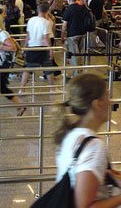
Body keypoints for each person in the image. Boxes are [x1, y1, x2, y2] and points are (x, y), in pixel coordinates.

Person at [53, 73, 121, 208]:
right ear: (97, 104)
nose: (110, 102)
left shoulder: (71, 135)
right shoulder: (94, 146)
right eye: (107, 97)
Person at [19, 2, 55, 93]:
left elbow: (28, 36)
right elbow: (47, 39)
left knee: (28, 69)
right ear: (47, 11)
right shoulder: (46, 23)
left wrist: (24, 47)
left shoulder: (31, 20)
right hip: (42, 48)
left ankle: (21, 89)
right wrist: (51, 50)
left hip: (31, 47)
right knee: (48, 69)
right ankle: (52, 88)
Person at [61, 0, 88, 78]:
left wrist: (62, 36)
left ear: (68, 0)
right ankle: (79, 72)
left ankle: (77, 75)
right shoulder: (83, 8)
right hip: (83, 33)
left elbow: (64, 25)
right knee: (80, 54)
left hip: (72, 34)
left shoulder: (68, 10)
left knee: (74, 55)